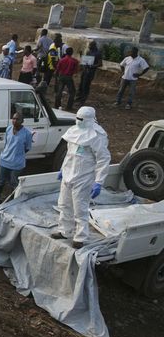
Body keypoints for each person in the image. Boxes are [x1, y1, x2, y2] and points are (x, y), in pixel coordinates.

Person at [52, 106, 110, 249]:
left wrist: (99, 182)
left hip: (83, 178)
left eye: (81, 119)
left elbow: (103, 159)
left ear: (89, 119)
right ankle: (64, 230)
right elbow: (70, 154)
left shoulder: (97, 136)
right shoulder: (73, 131)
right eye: (77, 118)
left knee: (80, 208)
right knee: (64, 204)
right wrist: (62, 169)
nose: (78, 121)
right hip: (68, 175)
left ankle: (80, 237)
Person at [0, 113, 33, 203]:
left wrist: (16, 154)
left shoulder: (27, 134)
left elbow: (27, 148)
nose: (15, 121)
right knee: (0, 181)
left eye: (17, 119)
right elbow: (7, 143)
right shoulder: (8, 129)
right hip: (4, 161)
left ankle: (12, 202)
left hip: (17, 163)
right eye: (13, 118)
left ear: (22, 121)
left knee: (14, 183)